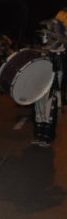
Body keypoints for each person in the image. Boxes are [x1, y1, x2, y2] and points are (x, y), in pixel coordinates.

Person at [31, 12, 66, 147]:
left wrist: (48, 50)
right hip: (41, 82)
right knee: (38, 107)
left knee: (48, 108)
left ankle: (47, 136)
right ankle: (39, 135)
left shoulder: (60, 49)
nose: (44, 37)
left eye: (47, 33)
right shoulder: (42, 49)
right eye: (44, 34)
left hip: (51, 81)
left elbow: (58, 69)